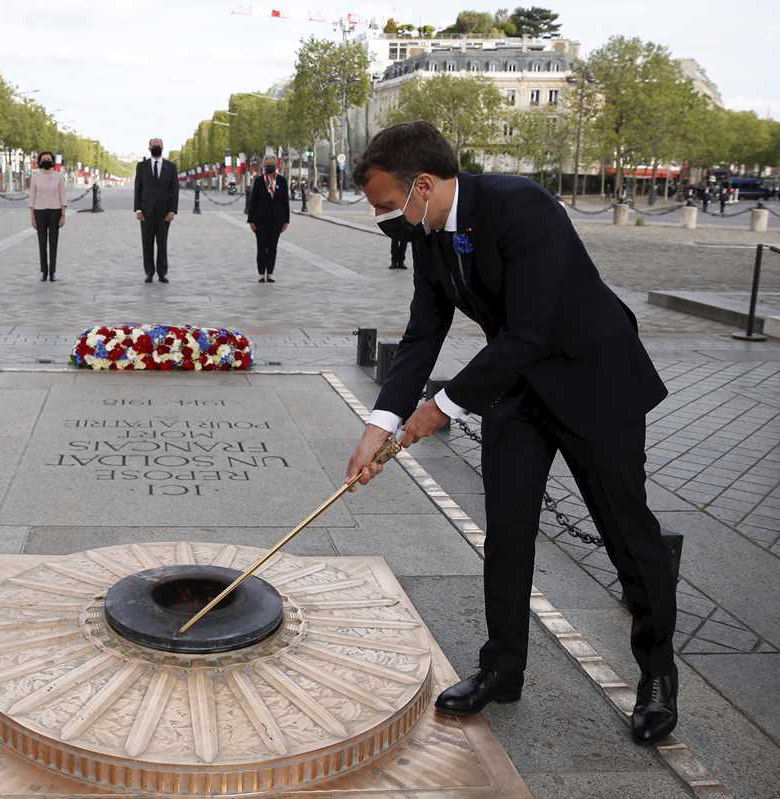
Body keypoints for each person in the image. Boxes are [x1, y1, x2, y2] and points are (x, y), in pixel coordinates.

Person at [344, 121, 678, 745]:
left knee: (627, 533)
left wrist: (439, 408)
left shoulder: (522, 205)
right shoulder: (428, 235)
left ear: (422, 185)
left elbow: (531, 329)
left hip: (591, 379)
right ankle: (502, 668)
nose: (386, 219)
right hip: (518, 387)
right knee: (507, 531)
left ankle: (657, 673)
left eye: (388, 205)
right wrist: (379, 424)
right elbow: (423, 332)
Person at [134, 137, 179, 283]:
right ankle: (149, 272)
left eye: (158, 145)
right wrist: (138, 210)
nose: (156, 147)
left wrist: (172, 211)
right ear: (149, 148)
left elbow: (175, 190)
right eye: (154, 145)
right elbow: (138, 188)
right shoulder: (141, 166)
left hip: (164, 214)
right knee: (147, 244)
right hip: (146, 213)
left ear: (163, 147)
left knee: (162, 243)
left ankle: (162, 273)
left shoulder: (171, 167)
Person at [247, 155, 290, 282]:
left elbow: (285, 202)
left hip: (277, 221)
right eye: (267, 164)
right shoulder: (259, 181)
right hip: (260, 221)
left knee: (272, 247)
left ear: (276, 165)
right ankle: (261, 273)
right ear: (264, 166)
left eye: (272, 164)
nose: (269, 166)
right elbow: (253, 202)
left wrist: (286, 220)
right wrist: (251, 220)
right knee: (261, 248)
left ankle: (270, 273)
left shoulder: (282, 181)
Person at [28, 150, 66, 282]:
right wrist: (32, 216)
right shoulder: (35, 176)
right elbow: (32, 196)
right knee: (42, 243)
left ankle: (53, 272)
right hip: (39, 211)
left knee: (54, 242)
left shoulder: (59, 176)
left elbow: (63, 195)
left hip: (55, 211)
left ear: (52, 161)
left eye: (48, 159)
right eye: (43, 159)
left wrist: (63, 215)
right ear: (39, 162)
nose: (46, 161)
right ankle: (44, 271)